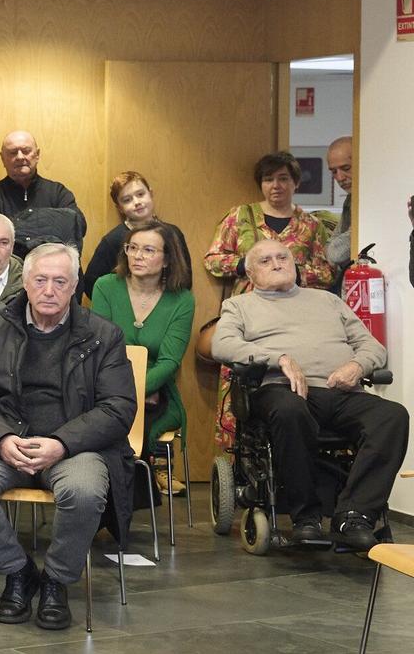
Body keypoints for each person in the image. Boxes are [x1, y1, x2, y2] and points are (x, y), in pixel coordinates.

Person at [0, 244, 136, 631]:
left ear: (74, 287)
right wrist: (0, 439)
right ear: (26, 284)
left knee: (84, 492)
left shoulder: (103, 335)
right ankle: (18, 572)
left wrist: (61, 444)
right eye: (41, 280)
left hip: (74, 448)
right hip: (8, 443)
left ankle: (56, 580)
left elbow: (118, 408)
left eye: (60, 281)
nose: (49, 290)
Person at [210, 239, 405, 551]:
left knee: (392, 415)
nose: (276, 263)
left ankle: (353, 516)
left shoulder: (328, 301)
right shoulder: (240, 306)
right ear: (251, 275)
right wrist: (279, 359)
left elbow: (373, 347)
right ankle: (306, 518)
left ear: (294, 264)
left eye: (282, 257)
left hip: (338, 390)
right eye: (265, 260)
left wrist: (357, 365)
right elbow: (222, 345)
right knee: (289, 409)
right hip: (280, 391)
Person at [204, 151, 336, 458]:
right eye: (267, 179)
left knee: (295, 373)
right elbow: (212, 260)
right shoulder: (240, 217)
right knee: (242, 372)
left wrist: (294, 273)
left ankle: (296, 450)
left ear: (295, 183)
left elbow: (327, 272)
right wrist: (249, 266)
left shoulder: (311, 225)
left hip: (295, 315)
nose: (275, 185)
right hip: (249, 313)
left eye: (283, 178)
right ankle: (241, 457)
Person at [88, 217, 194, 455]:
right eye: (132, 248)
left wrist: (140, 388)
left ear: (167, 259)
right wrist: (127, 391)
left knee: (137, 426)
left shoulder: (182, 299)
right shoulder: (105, 286)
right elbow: (99, 348)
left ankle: (138, 488)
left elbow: (169, 361)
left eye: (148, 250)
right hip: (104, 384)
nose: (137, 256)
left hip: (156, 389)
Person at [0, 131, 86, 257]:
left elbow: (77, 225)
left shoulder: (58, 192)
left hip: (55, 267)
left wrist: (15, 226)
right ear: (3, 158)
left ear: (37, 155)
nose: (20, 157)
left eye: (26, 151)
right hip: (11, 271)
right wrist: (50, 226)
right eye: (13, 152)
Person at [80, 171, 164, 297]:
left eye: (140, 194)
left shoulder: (172, 234)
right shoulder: (112, 241)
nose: (136, 202)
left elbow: (184, 278)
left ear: (151, 194)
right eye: (127, 200)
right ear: (119, 208)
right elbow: (91, 284)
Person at [326, 136, 354, 275]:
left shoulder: (372, 199)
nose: (340, 178)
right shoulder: (351, 199)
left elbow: (335, 253)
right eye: (333, 172)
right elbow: (331, 251)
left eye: (346, 168)